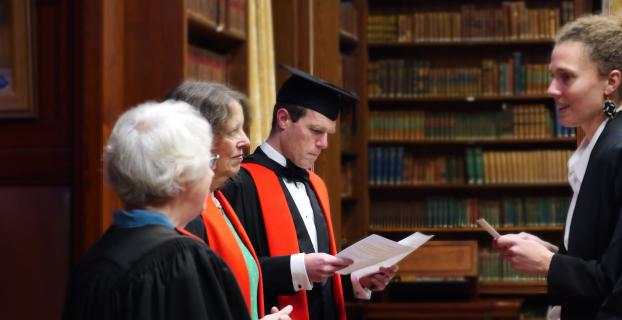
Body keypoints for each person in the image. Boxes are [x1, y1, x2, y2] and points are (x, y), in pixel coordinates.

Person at [493, 8, 622, 319]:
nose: (551, 89)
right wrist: (549, 253)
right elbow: (611, 264)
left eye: (566, 77)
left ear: (611, 82)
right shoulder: (598, 151)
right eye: (553, 76)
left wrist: (549, 264)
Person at [222, 65, 398, 320]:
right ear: (283, 119)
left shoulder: (316, 185)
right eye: (316, 131)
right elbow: (229, 271)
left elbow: (319, 286)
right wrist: (297, 268)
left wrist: (357, 279)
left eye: (328, 134)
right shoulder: (238, 183)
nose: (324, 144)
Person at [62, 100, 250, 320]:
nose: (210, 174)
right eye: (208, 162)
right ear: (181, 176)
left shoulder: (94, 259)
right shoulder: (182, 262)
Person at [168, 80, 292, 320]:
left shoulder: (220, 198)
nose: (246, 140)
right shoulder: (188, 215)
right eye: (233, 131)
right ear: (200, 139)